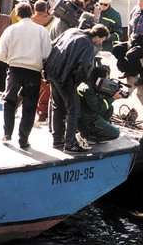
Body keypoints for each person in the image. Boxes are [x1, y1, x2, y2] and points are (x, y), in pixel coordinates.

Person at [44, 24, 110, 153]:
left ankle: (57, 140)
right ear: (96, 37)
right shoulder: (89, 46)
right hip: (65, 78)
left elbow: (52, 45)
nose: (100, 43)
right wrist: (76, 81)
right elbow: (84, 66)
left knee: (58, 106)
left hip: (51, 72)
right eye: (101, 40)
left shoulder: (72, 31)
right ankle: (70, 144)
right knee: (73, 110)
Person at [0, 2, 52, 149]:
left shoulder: (11, 29)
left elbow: (0, 53)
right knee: (29, 105)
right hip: (33, 72)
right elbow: (47, 53)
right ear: (31, 12)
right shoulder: (41, 31)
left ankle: (7, 133)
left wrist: (10, 60)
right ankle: (23, 139)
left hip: (14, 69)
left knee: (9, 101)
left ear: (17, 14)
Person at [77, 65, 121, 145]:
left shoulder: (88, 83)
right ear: (100, 79)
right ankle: (89, 137)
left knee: (109, 108)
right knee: (116, 133)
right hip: (86, 120)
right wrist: (113, 98)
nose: (108, 80)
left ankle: (97, 131)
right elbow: (98, 107)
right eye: (106, 78)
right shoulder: (88, 90)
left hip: (83, 114)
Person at [31, 0, 54, 122]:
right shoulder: (52, 21)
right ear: (46, 10)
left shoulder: (27, 21)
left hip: (28, 61)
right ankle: (42, 114)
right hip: (45, 60)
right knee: (45, 89)